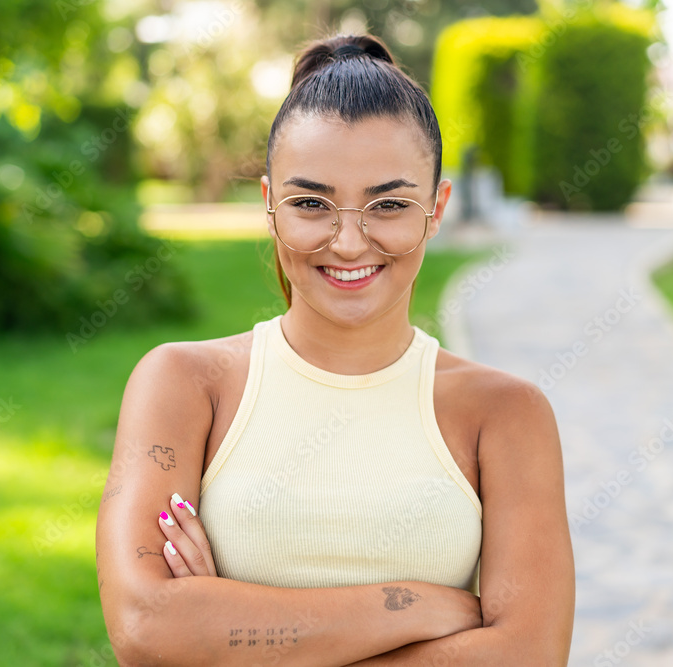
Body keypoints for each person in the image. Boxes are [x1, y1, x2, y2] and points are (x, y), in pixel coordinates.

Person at [95, 30, 574, 666]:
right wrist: (408, 606)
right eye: (312, 203)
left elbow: (528, 655)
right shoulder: (183, 384)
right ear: (270, 204)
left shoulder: (506, 415)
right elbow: (146, 626)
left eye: (390, 204)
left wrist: (222, 631)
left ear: (437, 208)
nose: (349, 242)